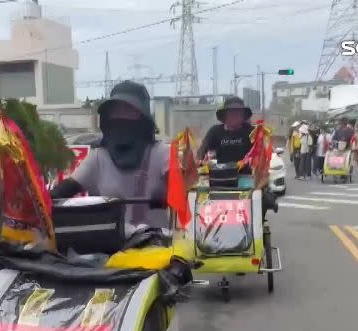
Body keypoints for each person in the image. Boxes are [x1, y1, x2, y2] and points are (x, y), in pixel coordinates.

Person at [50, 80, 170, 228]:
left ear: (143, 117)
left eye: (129, 110)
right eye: (116, 111)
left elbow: (185, 186)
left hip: (157, 245)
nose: (121, 117)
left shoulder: (162, 153)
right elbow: (66, 189)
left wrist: (173, 190)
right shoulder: (98, 158)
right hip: (112, 246)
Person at [196, 96, 255, 164]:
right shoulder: (215, 131)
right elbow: (200, 153)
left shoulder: (252, 131)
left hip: (246, 173)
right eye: (232, 113)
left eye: (239, 113)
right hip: (222, 172)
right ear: (225, 115)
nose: (235, 116)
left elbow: (260, 156)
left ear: (243, 115)